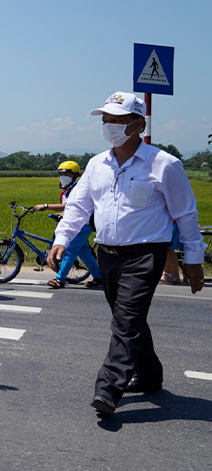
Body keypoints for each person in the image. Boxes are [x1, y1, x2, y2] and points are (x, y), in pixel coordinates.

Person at [49, 91, 206, 418]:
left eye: (117, 120)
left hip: (145, 256)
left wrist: (193, 258)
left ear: (138, 125)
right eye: (106, 120)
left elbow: (185, 214)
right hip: (107, 255)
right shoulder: (96, 165)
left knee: (126, 320)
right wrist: (61, 238)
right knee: (129, 320)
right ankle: (148, 374)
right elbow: (78, 206)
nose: (109, 126)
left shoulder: (164, 164)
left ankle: (108, 387)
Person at [33, 161, 101, 288]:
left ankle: (60, 279)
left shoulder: (78, 188)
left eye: (66, 174)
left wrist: (46, 206)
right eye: (61, 174)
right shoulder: (67, 189)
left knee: (69, 250)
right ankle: (99, 277)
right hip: (77, 224)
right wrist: (64, 214)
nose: (63, 176)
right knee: (84, 251)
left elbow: (69, 205)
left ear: (75, 175)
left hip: (83, 224)